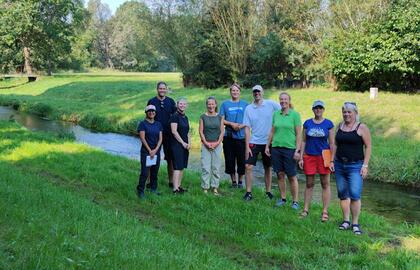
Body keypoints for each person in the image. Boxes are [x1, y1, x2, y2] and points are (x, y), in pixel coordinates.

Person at [330, 102, 371, 235]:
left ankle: (355, 223)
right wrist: (331, 160)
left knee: (355, 195)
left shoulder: (361, 127)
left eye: (349, 112)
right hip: (339, 165)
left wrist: (365, 165)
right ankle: (346, 221)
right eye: (344, 112)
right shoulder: (339, 126)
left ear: (355, 113)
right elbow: (335, 145)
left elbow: (368, 147)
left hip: (355, 165)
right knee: (343, 195)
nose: (346, 114)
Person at [243, 85, 280, 201]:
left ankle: (268, 191)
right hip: (254, 141)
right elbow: (247, 128)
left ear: (262, 92)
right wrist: (247, 146)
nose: (257, 93)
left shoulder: (271, 104)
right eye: (255, 92)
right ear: (252, 94)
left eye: (258, 91)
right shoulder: (249, 108)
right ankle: (248, 192)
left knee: (267, 167)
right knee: (248, 166)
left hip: (268, 142)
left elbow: (284, 111)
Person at [298, 100, 334, 220]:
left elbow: (333, 143)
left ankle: (325, 211)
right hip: (309, 155)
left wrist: (332, 160)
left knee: (325, 183)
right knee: (309, 183)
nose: (318, 110)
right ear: (312, 109)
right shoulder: (307, 123)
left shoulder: (328, 124)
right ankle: (305, 209)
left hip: (324, 156)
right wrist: (301, 157)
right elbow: (303, 140)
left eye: (320, 108)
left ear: (323, 109)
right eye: (316, 108)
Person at [265, 92, 301, 209]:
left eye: (285, 99)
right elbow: (272, 131)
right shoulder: (276, 114)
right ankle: (283, 198)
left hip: (290, 149)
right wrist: (267, 146)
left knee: (291, 175)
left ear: (289, 101)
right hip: (276, 148)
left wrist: (297, 150)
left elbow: (299, 134)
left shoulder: (295, 115)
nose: (283, 101)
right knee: (280, 174)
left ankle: (295, 201)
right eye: (281, 99)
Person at [147, 81, 177, 188]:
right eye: (160, 88)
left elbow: (175, 118)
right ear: (157, 89)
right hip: (155, 135)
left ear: (166, 90)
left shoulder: (171, 101)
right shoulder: (152, 101)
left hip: (169, 135)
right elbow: (148, 117)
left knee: (170, 159)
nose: (162, 90)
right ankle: (150, 181)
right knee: (153, 157)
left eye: (164, 88)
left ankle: (171, 181)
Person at [219, 83, 248, 188]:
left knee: (241, 160)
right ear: (230, 92)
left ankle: (240, 182)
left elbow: (249, 119)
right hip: (229, 137)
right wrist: (231, 124)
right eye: (233, 91)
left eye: (237, 91)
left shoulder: (245, 104)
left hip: (241, 137)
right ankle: (233, 182)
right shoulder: (225, 104)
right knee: (230, 159)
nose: (235, 92)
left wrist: (240, 126)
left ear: (240, 92)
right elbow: (221, 119)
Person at [136, 105, 163, 198]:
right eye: (149, 111)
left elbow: (160, 139)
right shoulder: (142, 124)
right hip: (146, 152)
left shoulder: (158, 124)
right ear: (146, 113)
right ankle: (140, 191)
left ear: (155, 113)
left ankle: (153, 189)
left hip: (156, 152)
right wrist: (150, 150)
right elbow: (142, 138)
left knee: (155, 171)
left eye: (153, 111)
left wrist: (155, 150)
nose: (151, 112)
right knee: (145, 172)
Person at [199, 97, 224, 195]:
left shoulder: (220, 117)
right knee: (205, 167)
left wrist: (217, 143)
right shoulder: (202, 117)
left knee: (216, 167)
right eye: (209, 104)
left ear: (216, 105)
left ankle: (215, 187)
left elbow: (222, 131)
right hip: (206, 145)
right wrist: (206, 143)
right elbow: (201, 131)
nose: (211, 106)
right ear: (206, 105)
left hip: (217, 145)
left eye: (212, 104)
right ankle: (205, 187)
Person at [169, 98, 191, 194]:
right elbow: (174, 131)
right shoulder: (175, 116)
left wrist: (189, 143)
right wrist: (182, 143)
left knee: (182, 166)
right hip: (177, 145)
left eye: (184, 104)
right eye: (180, 104)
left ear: (187, 106)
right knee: (177, 166)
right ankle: (175, 189)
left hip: (185, 145)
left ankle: (179, 186)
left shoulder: (185, 117)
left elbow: (188, 132)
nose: (182, 105)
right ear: (177, 105)